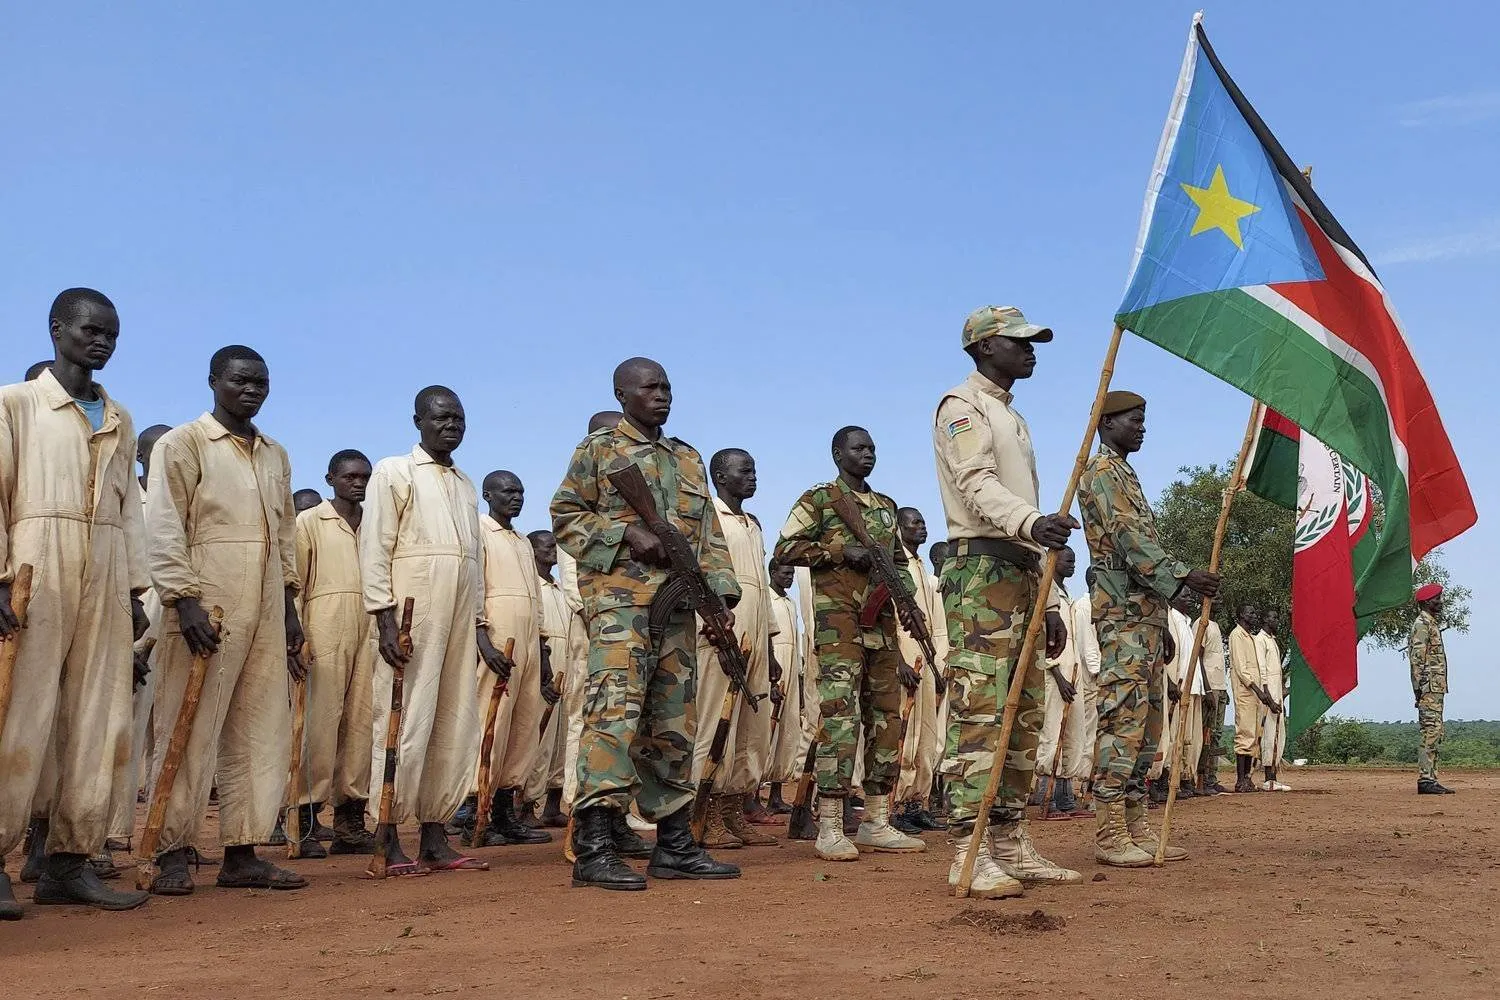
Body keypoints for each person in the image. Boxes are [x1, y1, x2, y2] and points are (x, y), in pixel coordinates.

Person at [551, 358, 742, 890]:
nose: (662, 395)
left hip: (679, 608)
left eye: (667, 387)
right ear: (621, 394)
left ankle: (674, 845)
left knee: (673, 725)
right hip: (620, 609)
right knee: (613, 717)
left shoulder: (687, 458)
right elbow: (566, 515)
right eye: (650, 387)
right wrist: (623, 535)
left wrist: (720, 595)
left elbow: (708, 535)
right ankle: (595, 847)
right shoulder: (599, 451)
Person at [0, 288, 151, 917]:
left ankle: (68, 862)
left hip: (108, 569)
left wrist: (137, 590)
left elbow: (129, 509)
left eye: (112, 334)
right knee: (21, 714)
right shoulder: (17, 403)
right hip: (39, 561)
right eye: (92, 330)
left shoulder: (118, 415)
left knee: (99, 718)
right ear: (57, 329)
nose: (103, 341)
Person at [144, 344, 307, 894]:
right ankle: (170, 848)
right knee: (187, 725)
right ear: (213, 381)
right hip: (205, 599)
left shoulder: (275, 453)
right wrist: (182, 599)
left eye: (261, 381)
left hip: (264, 602)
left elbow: (285, 535)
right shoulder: (183, 444)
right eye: (240, 380)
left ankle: (242, 851)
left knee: (260, 727)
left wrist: (288, 608)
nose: (251, 389)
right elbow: (164, 524)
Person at [930, 305, 1079, 897]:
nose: (1031, 350)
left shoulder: (1011, 415)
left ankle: (1010, 840)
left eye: (1034, 341)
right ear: (985, 346)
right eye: (1020, 342)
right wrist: (1030, 521)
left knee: (1024, 714)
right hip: (982, 571)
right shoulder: (961, 408)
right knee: (982, 711)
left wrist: (1046, 603)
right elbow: (975, 483)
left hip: (1020, 571)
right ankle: (967, 847)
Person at [360, 386, 498, 875]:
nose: (451, 425)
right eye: (440, 417)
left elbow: (475, 561)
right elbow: (375, 545)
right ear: (417, 421)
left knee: (453, 721)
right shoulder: (393, 471)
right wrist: (382, 615)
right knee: (405, 722)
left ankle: (436, 836)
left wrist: (480, 625)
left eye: (459, 417)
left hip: (460, 615)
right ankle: (388, 835)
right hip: (412, 614)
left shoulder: (465, 483)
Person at [1079, 390, 1219, 868]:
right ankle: (1108, 830)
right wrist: (1182, 575)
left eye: (1144, 420)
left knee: (1148, 723)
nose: (1142, 427)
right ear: (1107, 423)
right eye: (1134, 420)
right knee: (1122, 718)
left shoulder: (1126, 473)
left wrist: (1168, 604)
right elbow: (1128, 538)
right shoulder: (1100, 472)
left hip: (1145, 617)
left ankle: (1135, 822)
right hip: (1121, 617)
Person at [774, 425, 927, 863]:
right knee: (840, 718)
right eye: (859, 448)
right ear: (838, 453)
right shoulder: (820, 500)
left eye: (873, 448)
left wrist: (909, 608)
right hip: (838, 627)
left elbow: (898, 564)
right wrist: (841, 551)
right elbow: (786, 549)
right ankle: (831, 825)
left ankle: (877, 820)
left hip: (880, 626)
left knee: (886, 720)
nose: (868, 455)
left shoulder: (884, 507)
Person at [688, 448, 779, 849]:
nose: (754, 476)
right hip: (721, 632)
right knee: (714, 723)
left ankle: (731, 809)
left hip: (756, 631)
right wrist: (712, 626)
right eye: (746, 470)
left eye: (756, 468)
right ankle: (701, 815)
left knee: (750, 729)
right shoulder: (708, 516)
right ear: (721, 476)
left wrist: (771, 647)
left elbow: (759, 585)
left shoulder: (753, 525)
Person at [292, 449, 379, 857]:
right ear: (330, 479)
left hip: (372, 630)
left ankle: (350, 821)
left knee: (362, 725)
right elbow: (294, 584)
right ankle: (304, 821)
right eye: (349, 477)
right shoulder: (309, 522)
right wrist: (296, 637)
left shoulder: (378, 525)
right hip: (324, 624)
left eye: (364, 477)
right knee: (319, 724)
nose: (358, 483)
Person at [468, 470, 552, 846]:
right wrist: (483, 640)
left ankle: (505, 812)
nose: (516, 497)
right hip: (498, 641)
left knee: (521, 728)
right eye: (507, 491)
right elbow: (474, 590)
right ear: (488, 495)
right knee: (491, 724)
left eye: (520, 491)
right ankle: (474, 812)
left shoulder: (521, 541)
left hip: (529, 646)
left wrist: (544, 654)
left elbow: (536, 605)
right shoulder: (479, 532)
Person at [106, 422, 172, 855]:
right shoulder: (133, 500)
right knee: (123, 725)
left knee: (167, 727)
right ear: (143, 457)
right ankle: (109, 830)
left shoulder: (184, 499)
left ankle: (167, 835)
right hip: (133, 617)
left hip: (177, 620)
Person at [892, 507, 948, 834]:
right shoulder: (895, 565)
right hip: (906, 652)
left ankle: (917, 803)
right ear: (900, 529)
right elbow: (888, 616)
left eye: (924, 522)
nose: (923, 527)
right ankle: (896, 804)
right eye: (916, 522)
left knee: (926, 733)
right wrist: (899, 660)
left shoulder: (921, 567)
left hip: (926, 656)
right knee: (907, 732)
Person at [1035, 547, 1096, 819]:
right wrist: (1056, 673)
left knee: (1074, 736)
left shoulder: (1067, 598)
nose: (1072, 564)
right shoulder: (1046, 595)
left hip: (1074, 675)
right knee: (1052, 734)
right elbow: (1040, 639)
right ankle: (1045, 798)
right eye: (1067, 560)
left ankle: (1065, 797)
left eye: (1073, 559)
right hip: (1055, 676)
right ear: (1053, 561)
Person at [522, 529, 569, 827]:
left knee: (562, 743)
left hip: (568, 670)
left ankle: (553, 805)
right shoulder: (531, 586)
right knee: (537, 742)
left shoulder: (562, 588)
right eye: (547, 545)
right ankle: (525, 807)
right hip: (544, 670)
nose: (554, 549)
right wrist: (542, 671)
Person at [763, 561, 806, 813]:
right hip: (775, 667)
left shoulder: (790, 603)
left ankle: (776, 795)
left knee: (787, 735)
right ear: (773, 573)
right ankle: (752, 795)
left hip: (792, 668)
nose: (789, 578)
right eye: (785, 573)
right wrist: (770, 680)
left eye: (792, 574)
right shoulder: (766, 599)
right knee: (767, 735)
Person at [1409, 583, 1453, 794]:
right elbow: (1417, 658)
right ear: (1427, 602)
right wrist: (1418, 687)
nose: (1441, 602)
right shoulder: (1422, 624)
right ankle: (1425, 779)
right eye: (1438, 598)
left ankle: (1431, 778)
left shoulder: (1431, 623)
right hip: (1428, 687)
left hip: (1435, 687)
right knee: (1430, 731)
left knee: (1436, 731)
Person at [1164, 593, 1207, 800]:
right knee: (1173, 737)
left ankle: (1181, 778)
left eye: (1191, 596)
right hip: (1179, 687)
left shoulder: (1189, 623)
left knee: (1190, 739)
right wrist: (1171, 683)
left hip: (1194, 687)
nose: (1190, 599)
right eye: (1185, 595)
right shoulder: (1171, 619)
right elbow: (1169, 657)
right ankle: (1165, 779)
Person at [1228, 605, 1267, 793]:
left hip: (1255, 695)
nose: (1254, 615)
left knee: (1253, 736)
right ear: (1241, 615)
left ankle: (1247, 778)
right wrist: (1258, 690)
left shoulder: (1250, 637)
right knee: (1244, 735)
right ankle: (1239, 780)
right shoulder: (1237, 636)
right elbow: (1242, 670)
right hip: (1246, 692)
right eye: (1250, 613)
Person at [1255, 610, 1290, 792]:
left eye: (1277, 617)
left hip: (1276, 692)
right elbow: (1262, 671)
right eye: (1272, 617)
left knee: (1277, 734)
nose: (1276, 620)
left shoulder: (1272, 640)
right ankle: (1268, 778)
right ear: (1265, 620)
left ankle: (1273, 776)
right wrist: (1268, 697)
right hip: (1269, 695)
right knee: (1269, 734)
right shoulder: (1260, 640)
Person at [1195, 609, 1228, 795]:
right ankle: (1201, 778)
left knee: (1216, 734)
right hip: (1209, 687)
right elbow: (1198, 656)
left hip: (1219, 686)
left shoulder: (1215, 625)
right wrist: (1207, 688)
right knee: (1206, 732)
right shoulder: (1202, 623)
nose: (1220, 599)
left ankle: (1211, 778)